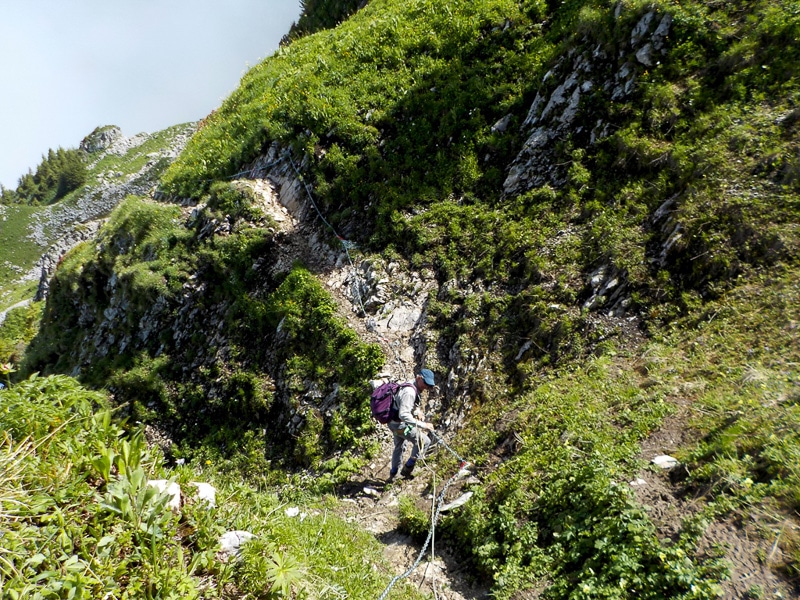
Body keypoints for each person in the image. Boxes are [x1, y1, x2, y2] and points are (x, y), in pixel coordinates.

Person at [388, 369, 436, 480]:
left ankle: (393, 473)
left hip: (393, 423)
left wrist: (416, 412)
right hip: (399, 425)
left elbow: (403, 403)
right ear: (419, 378)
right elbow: (404, 415)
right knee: (424, 441)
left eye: (429, 385)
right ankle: (408, 468)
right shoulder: (410, 392)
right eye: (425, 384)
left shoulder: (410, 384)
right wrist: (423, 425)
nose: (426, 387)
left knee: (399, 445)